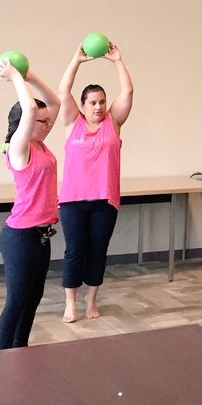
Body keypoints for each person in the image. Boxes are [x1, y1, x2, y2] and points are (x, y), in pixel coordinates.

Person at [57, 40, 134, 322]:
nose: (99, 107)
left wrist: (117, 61)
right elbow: (62, 91)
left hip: (104, 200)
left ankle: (91, 302)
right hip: (72, 201)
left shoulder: (112, 124)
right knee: (75, 250)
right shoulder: (71, 123)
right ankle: (70, 304)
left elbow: (127, 91)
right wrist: (76, 60)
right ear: (83, 105)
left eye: (102, 102)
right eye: (93, 102)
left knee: (98, 250)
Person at [0, 56, 61, 350]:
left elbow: (54, 103)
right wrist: (14, 77)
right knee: (16, 302)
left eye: (47, 123)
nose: (47, 125)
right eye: (40, 122)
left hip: (41, 235)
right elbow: (31, 108)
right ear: (24, 123)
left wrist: (31, 74)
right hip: (20, 236)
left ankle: (20, 352)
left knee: (33, 299)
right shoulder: (19, 151)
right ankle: (2, 357)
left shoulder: (41, 145)